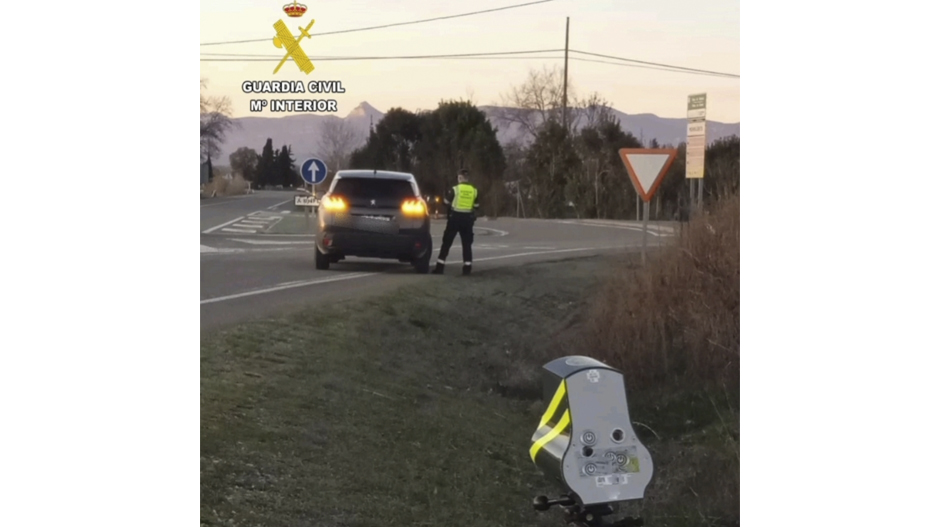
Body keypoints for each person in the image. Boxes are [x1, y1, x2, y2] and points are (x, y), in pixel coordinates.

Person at [433, 169, 479, 275]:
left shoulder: (455, 189)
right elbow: (476, 206)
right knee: (466, 244)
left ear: (460, 178)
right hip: (468, 220)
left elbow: (446, 202)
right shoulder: (474, 190)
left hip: (455, 219)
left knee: (447, 242)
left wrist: (444, 201)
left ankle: (440, 267)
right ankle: (467, 268)